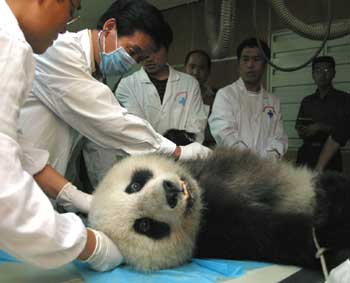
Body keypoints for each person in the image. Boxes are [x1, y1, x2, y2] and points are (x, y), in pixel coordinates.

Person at [18, 0, 211, 182]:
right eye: (132, 51)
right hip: (17, 179)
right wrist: (177, 151)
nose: (131, 62)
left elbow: (98, 148)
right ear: (109, 28)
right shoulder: (62, 51)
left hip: (44, 183)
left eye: (139, 59)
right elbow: (111, 122)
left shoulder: (96, 75)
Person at [1, 0, 123, 272]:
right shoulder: (7, 42)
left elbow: (18, 147)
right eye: (72, 10)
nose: (68, 23)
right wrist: (89, 245)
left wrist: (73, 195)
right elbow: (4, 195)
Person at [83, 22, 208, 188]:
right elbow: (136, 130)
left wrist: (181, 148)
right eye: (143, 52)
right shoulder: (127, 85)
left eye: (155, 51)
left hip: (185, 168)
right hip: (144, 168)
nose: (149, 57)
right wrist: (174, 146)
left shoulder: (189, 84)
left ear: (167, 49)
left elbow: (196, 128)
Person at [208, 38, 288, 160]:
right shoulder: (225, 94)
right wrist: (248, 159)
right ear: (238, 64)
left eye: (256, 59)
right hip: (235, 166)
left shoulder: (273, 101)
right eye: (245, 59)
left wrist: (270, 158)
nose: (250, 65)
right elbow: (224, 132)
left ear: (265, 64)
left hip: (267, 169)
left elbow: (279, 137)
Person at [295, 56, 348, 172]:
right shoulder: (307, 101)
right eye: (318, 70)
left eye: (326, 70)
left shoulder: (344, 99)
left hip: (331, 156)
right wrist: (303, 130)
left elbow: (344, 130)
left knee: (330, 189)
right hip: (306, 153)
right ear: (313, 75)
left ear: (333, 73)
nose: (322, 74)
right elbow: (298, 125)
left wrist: (319, 127)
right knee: (302, 188)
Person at [185, 49, 216, 147]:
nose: (195, 72)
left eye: (201, 68)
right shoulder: (174, 93)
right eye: (192, 66)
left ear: (209, 72)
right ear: (185, 68)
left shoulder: (217, 98)